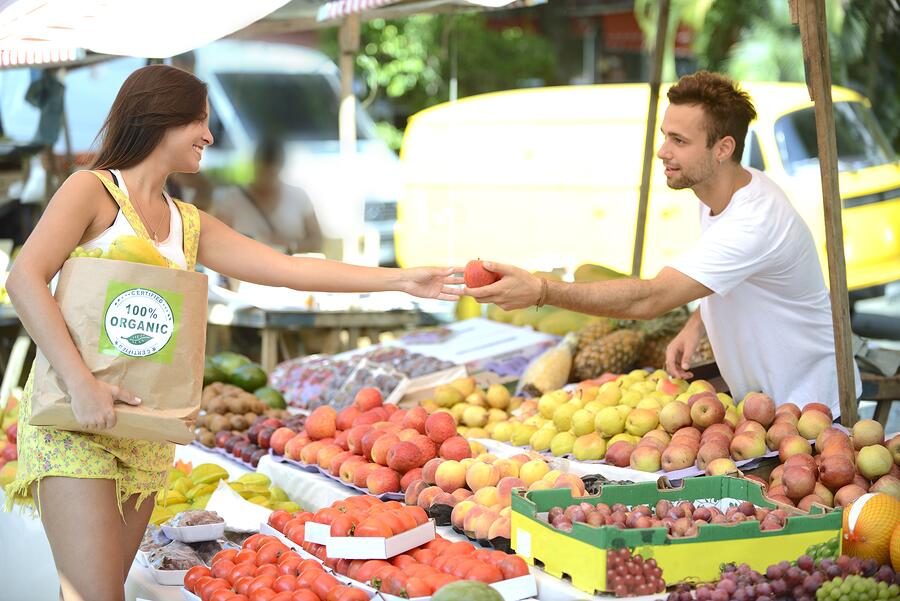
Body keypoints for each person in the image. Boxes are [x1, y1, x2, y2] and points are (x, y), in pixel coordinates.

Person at [3, 64, 459, 601]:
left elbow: (290, 269)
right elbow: (24, 278)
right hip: (75, 420)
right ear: (159, 120)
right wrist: (81, 383)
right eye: (199, 122)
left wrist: (403, 279)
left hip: (143, 431)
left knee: (100, 593)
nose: (209, 136)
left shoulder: (187, 223)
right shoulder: (91, 191)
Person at [466, 71, 860, 416]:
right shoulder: (718, 193)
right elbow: (734, 275)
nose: (662, 152)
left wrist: (541, 290)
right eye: (664, 136)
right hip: (769, 405)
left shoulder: (754, 218)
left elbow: (649, 299)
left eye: (679, 141)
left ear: (723, 148)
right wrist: (697, 321)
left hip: (814, 406)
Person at [211, 136, 323, 254]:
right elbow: (217, 240)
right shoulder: (232, 198)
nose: (266, 179)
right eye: (262, 171)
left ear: (280, 168)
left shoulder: (299, 197)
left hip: (287, 269)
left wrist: (289, 246)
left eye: (271, 173)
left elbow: (317, 241)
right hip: (242, 269)